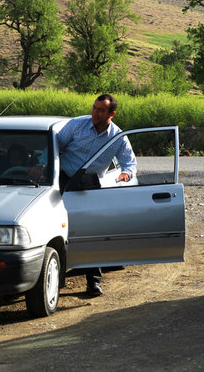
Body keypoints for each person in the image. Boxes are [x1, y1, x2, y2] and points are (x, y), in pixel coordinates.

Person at [58, 94, 136, 297]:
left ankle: (93, 283)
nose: (95, 112)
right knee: (58, 226)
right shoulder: (76, 125)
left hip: (90, 186)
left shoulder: (118, 137)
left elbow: (130, 163)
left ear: (111, 114)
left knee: (90, 231)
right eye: (94, 107)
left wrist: (126, 173)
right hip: (63, 180)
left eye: (101, 110)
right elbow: (54, 148)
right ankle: (56, 278)